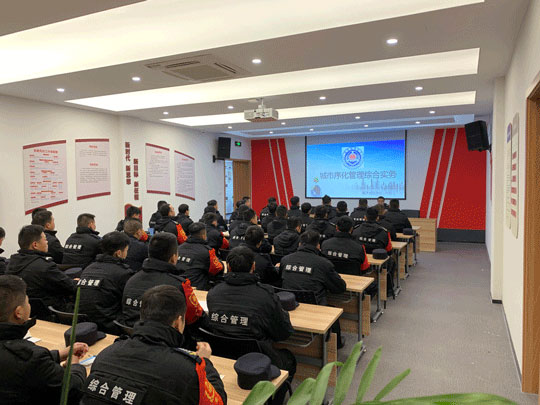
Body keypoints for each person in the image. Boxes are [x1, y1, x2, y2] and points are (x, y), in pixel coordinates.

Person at [81, 285, 226, 405]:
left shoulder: (105, 354)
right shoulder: (187, 372)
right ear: (178, 322)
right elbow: (218, 402)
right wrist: (205, 363)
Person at [207, 246, 295, 405]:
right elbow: (284, 332)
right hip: (259, 358)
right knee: (290, 360)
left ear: (228, 266)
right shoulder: (265, 295)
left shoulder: (213, 293)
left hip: (222, 354)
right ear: (253, 266)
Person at [0, 275, 88, 405]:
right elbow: (73, 389)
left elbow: (17, 363)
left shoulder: (25, 357)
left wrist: (59, 354)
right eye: (27, 302)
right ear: (19, 312)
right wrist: (74, 365)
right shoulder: (30, 357)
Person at [121, 233, 206, 347]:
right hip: (167, 345)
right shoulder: (179, 285)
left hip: (133, 340)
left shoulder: (131, 279)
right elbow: (194, 317)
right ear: (174, 257)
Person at [279, 231, 346, 348]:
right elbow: (340, 288)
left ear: (300, 244)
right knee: (333, 310)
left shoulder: (285, 260)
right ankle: (337, 344)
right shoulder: (324, 264)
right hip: (316, 307)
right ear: (318, 246)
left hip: (289, 304)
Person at [7, 225, 76, 310]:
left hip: (22, 310)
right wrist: (76, 281)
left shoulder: (12, 263)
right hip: (50, 311)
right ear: (35, 245)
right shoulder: (45, 266)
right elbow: (70, 286)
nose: (47, 242)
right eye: (45, 239)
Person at [79, 231, 134, 334]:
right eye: (126, 250)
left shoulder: (88, 268)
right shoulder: (124, 273)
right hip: (110, 326)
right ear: (119, 253)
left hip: (83, 325)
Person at [176, 222, 224, 291]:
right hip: (196, 288)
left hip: (177, 287)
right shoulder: (207, 251)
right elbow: (217, 269)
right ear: (204, 235)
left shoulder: (178, 248)